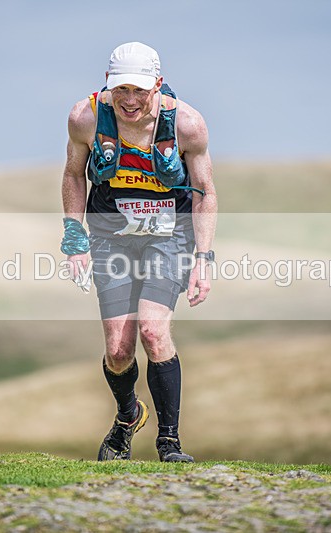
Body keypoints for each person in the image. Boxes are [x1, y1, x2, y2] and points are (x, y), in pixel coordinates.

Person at [60, 42, 217, 462]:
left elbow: (204, 193)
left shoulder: (187, 125)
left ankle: (169, 443)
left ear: (158, 86)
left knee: (152, 328)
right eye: (121, 89)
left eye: (140, 91)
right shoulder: (86, 118)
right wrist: (74, 237)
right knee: (118, 349)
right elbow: (75, 175)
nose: (129, 100)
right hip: (111, 234)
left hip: (170, 236)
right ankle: (128, 416)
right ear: (108, 85)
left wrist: (204, 258)